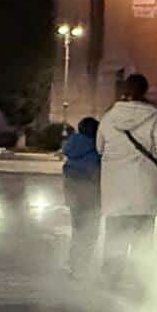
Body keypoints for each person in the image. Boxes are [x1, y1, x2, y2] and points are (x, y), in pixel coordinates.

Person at [98, 71, 157, 273]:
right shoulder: (154, 117)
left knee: (115, 237)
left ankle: (111, 280)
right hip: (145, 187)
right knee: (142, 239)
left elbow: (99, 147)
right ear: (145, 90)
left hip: (115, 188)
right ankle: (139, 281)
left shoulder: (109, 117)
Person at [60, 115, 103, 271]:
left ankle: (74, 263)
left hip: (74, 198)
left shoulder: (72, 148)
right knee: (90, 232)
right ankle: (83, 265)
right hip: (91, 198)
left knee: (77, 231)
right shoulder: (96, 150)